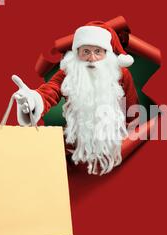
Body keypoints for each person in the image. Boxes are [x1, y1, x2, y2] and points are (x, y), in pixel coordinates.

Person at [12, 22, 139, 176]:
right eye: (86, 51)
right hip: (76, 146)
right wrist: (33, 100)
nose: (91, 58)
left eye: (98, 51)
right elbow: (50, 90)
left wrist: (128, 144)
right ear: (77, 53)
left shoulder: (121, 74)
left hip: (116, 146)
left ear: (107, 53)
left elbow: (133, 113)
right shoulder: (69, 72)